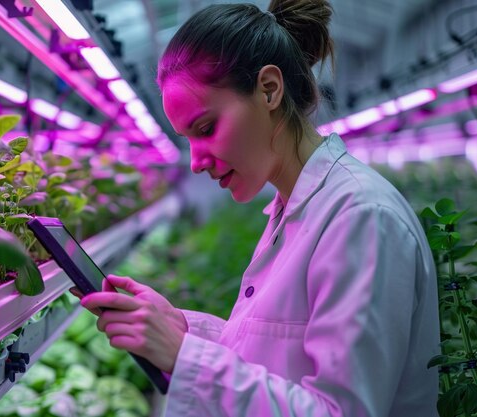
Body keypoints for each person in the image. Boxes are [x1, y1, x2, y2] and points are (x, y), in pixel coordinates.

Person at [75, 1, 440, 416]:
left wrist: (184, 356)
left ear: (269, 89)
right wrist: (183, 329)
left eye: (207, 128)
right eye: (187, 140)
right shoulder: (294, 209)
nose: (195, 161)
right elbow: (275, 357)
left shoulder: (361, 217)